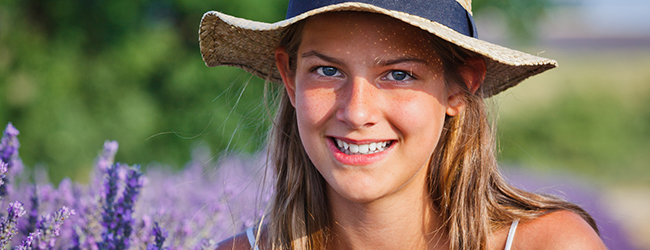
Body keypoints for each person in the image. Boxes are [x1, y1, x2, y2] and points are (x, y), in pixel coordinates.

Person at [199, 0, 607, 249]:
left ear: (460, 87)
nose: (357, 112)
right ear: (290, 79)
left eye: (398, 74)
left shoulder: (550, 246)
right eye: (327, 70)